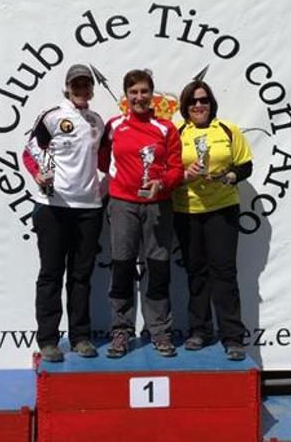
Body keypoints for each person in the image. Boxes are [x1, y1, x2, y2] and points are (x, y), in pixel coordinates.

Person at [22, 64, 105, 362]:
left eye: (86, 85)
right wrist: (37, 175)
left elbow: (107, 160)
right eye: (76, 85)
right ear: (68, 87)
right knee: (51, 275)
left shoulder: (98, 121)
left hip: (89, 208)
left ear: (92, 89)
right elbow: (29, 151)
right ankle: (47, 340)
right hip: (53, 207)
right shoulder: (52, 116)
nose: (81, 90)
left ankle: (80, 337)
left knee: (81, 276)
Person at [102, 69, 184, 358]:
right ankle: (121, 331)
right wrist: (122, 183)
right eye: (133, 92)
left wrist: (161, 183)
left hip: (158, 205)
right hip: (123, 204)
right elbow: (103, 160)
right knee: (122, 266)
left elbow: (177, 168)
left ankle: (159, 331)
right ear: (126, 97)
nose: (139, 97)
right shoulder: (113, 126)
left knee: (158, 268)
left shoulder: (166, 128)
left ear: (152, 95)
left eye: (144, 91)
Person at [172, 80, 253, 361]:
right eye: (193, 101)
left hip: (222, 209)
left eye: (203, 100)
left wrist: (230, 176)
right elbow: (168, 170)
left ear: (211, 102)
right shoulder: (177, 132)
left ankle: (233, 337)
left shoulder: (228, 130)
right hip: (187, 210)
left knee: (224, 273)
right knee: (196, 273)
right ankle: (199, 331)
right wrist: (186, 175)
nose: (198, 105)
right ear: (185, 106)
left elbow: (245, 165)